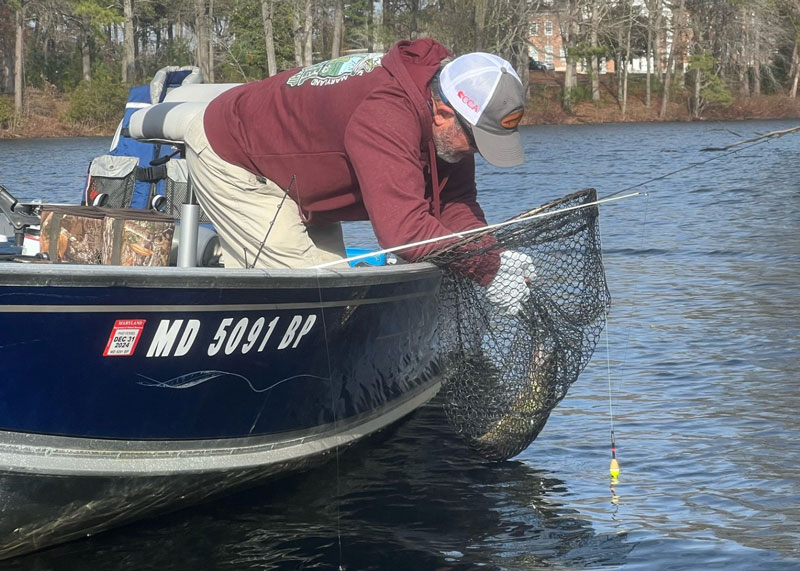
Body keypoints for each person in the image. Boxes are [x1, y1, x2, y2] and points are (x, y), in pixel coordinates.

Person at [184, 38, 534, 315]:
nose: (476, 154)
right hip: (236, 154)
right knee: (309, 299)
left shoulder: (446, 119)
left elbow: (456, 202)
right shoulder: (386, 115)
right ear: (443, 113)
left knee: (334, 287)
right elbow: (405, 233)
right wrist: (488, 269)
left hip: (301, 176)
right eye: (476, 141)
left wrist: (492, 254)